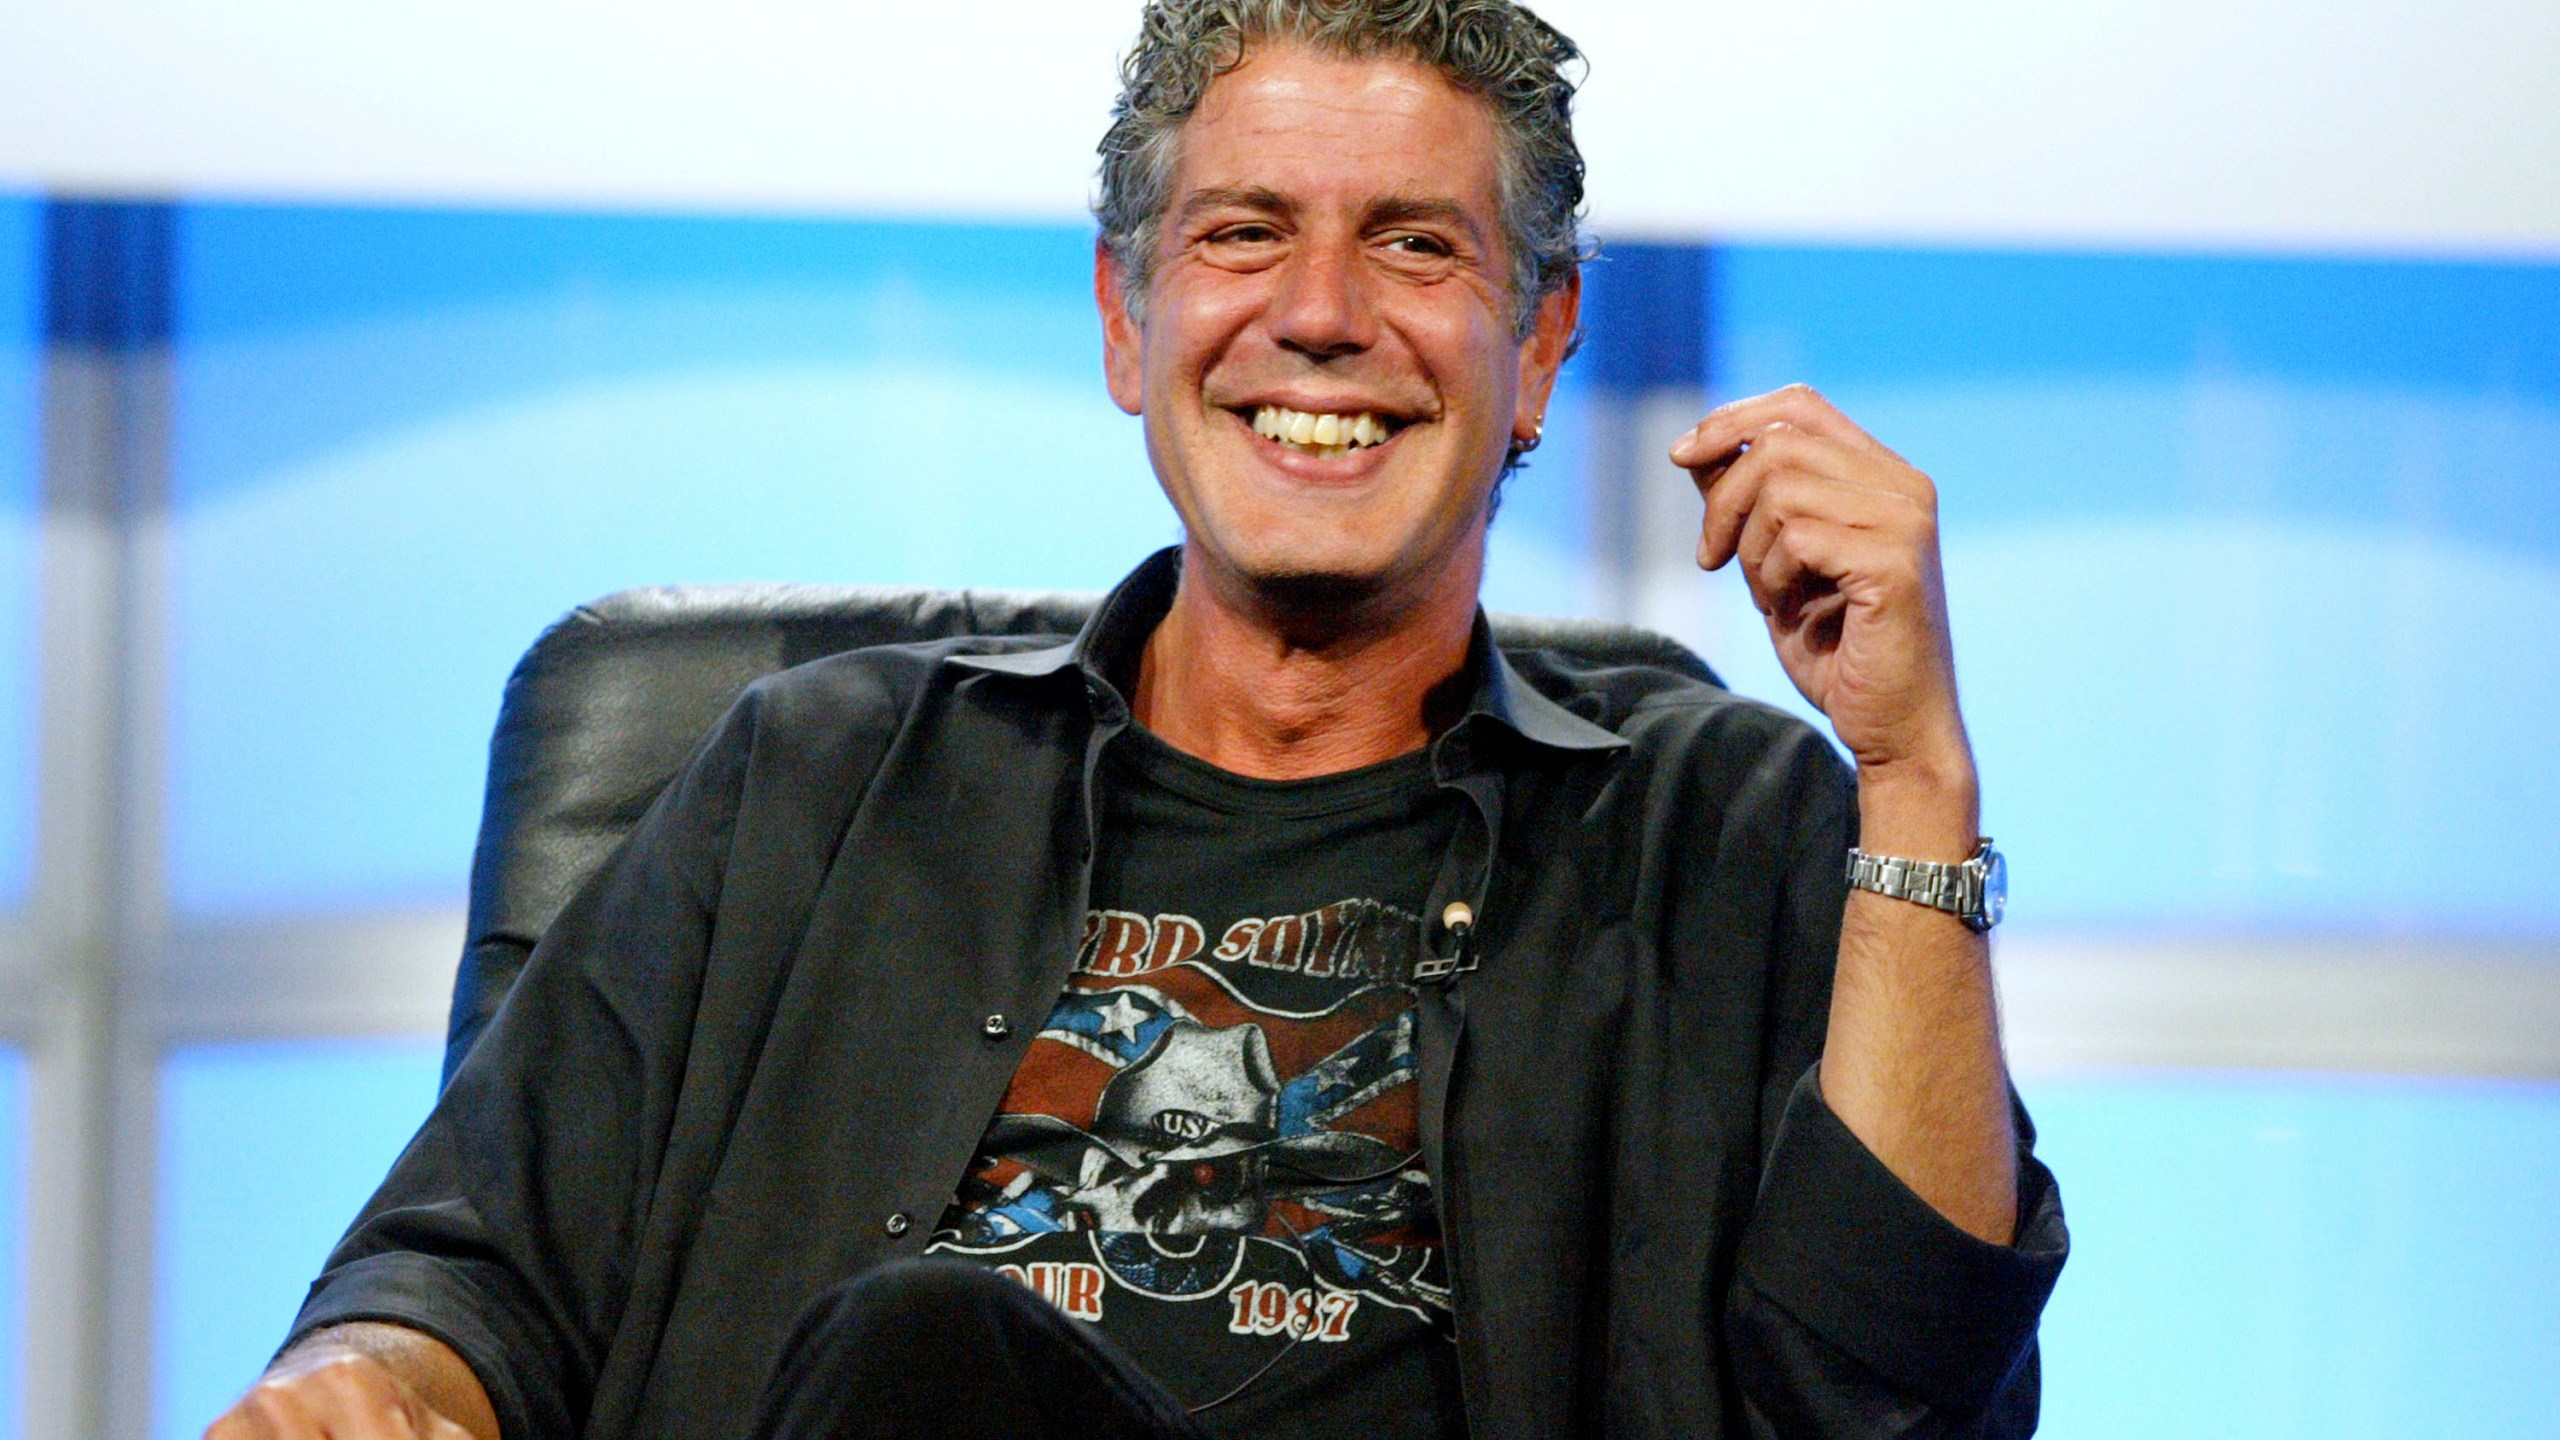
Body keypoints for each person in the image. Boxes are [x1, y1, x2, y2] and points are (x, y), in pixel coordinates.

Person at [209, 3, 2066, 1437]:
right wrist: (361, 1386)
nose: (1322, 315)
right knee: (926, 1363)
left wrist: (1910, 775)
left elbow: (1891, 1404)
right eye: (1246, 233)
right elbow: (468, 1282)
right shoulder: (813, 781)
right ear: (1126, 318)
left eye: (1419, 247)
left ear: (1544, 345)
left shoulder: (1722, 825)